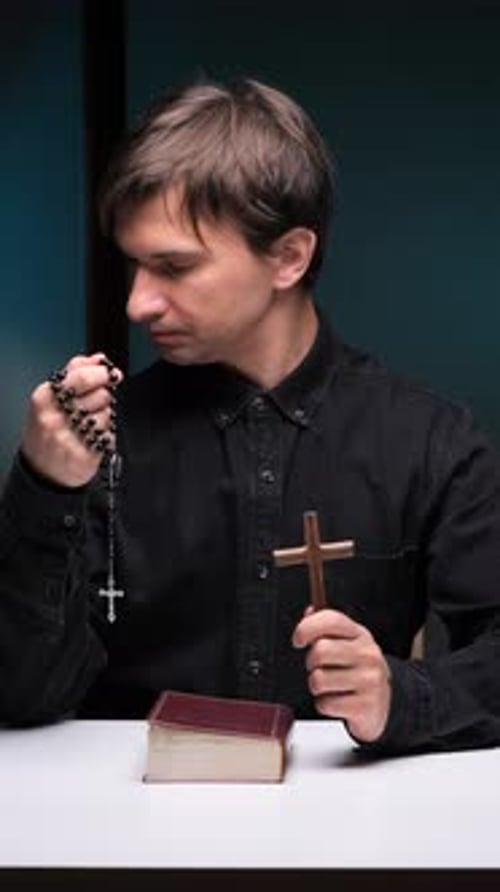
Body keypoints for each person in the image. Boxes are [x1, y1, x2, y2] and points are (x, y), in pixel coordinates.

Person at [1, 78, 500, 755]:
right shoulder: (99, 439)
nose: (138, 304)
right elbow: (22, 694)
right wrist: (45, 487)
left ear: (289, 257)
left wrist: (399, 695)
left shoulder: (429, 440)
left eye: (174, 267)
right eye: (134, 265)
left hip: (344, 817)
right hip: (124, 814)